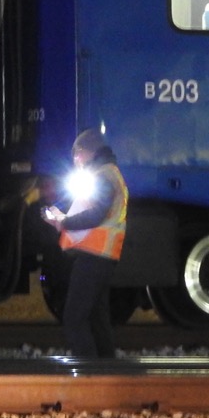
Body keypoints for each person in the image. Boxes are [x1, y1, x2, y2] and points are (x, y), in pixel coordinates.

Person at [42, 127, 128, 358]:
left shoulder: (103, 176)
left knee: (74, 318)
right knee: (97, 318)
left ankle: (89, 374)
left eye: (76, 156)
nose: (75, 162)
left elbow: (96, 214)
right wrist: (62, 220)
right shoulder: (107, 173)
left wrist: (65, 223)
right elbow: (93, 212)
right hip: (101, 256)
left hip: (94, 256)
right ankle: (106, 373)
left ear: (84, 151)